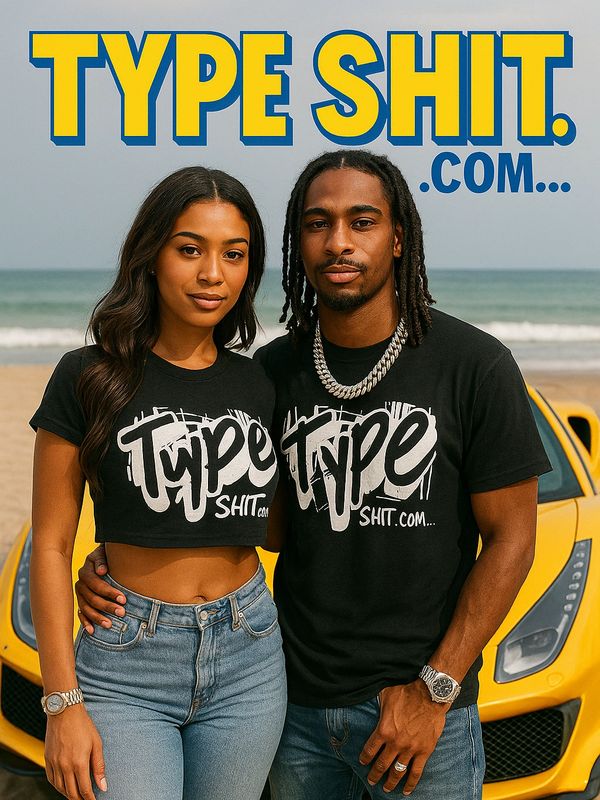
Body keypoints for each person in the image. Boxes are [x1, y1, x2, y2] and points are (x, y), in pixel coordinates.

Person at [76, 150, 551, 800]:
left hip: (419, 713)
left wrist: (434, 690)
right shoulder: (270, 373)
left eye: (363, 222)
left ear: (398, 235)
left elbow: (513, 540)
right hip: (289, 704)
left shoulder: (474, 367)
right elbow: (249, 520)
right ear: (297, 243)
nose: (340, 242)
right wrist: (124, 565)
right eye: (318, 223)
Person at [29, 166, 287, 800]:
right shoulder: (87, 376)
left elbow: (274, 527)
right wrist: (62, 703)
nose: (211, 274)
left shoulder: (258, 383)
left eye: (234, 254)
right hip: (125, 663)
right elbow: (50, 545)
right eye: (189, 249)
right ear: (151, 255)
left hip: (249, 651)